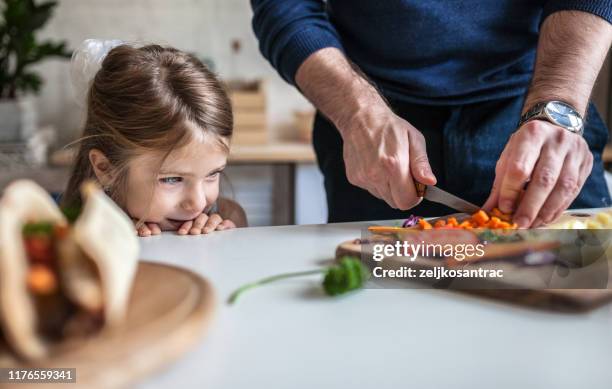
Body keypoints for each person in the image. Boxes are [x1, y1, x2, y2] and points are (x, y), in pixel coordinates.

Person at [251, 1, 612, 227]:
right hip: (376, 127)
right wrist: (359, 113)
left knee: (578, 303)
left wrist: (557, 109)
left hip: (535, 109)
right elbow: (285, 7)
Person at [62, 40, 247, 236]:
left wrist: (229, 238)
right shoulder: (70, 239)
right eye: (172, 179)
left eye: (212, 174)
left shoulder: (227, 216)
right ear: (105, 168)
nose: (198, 203)